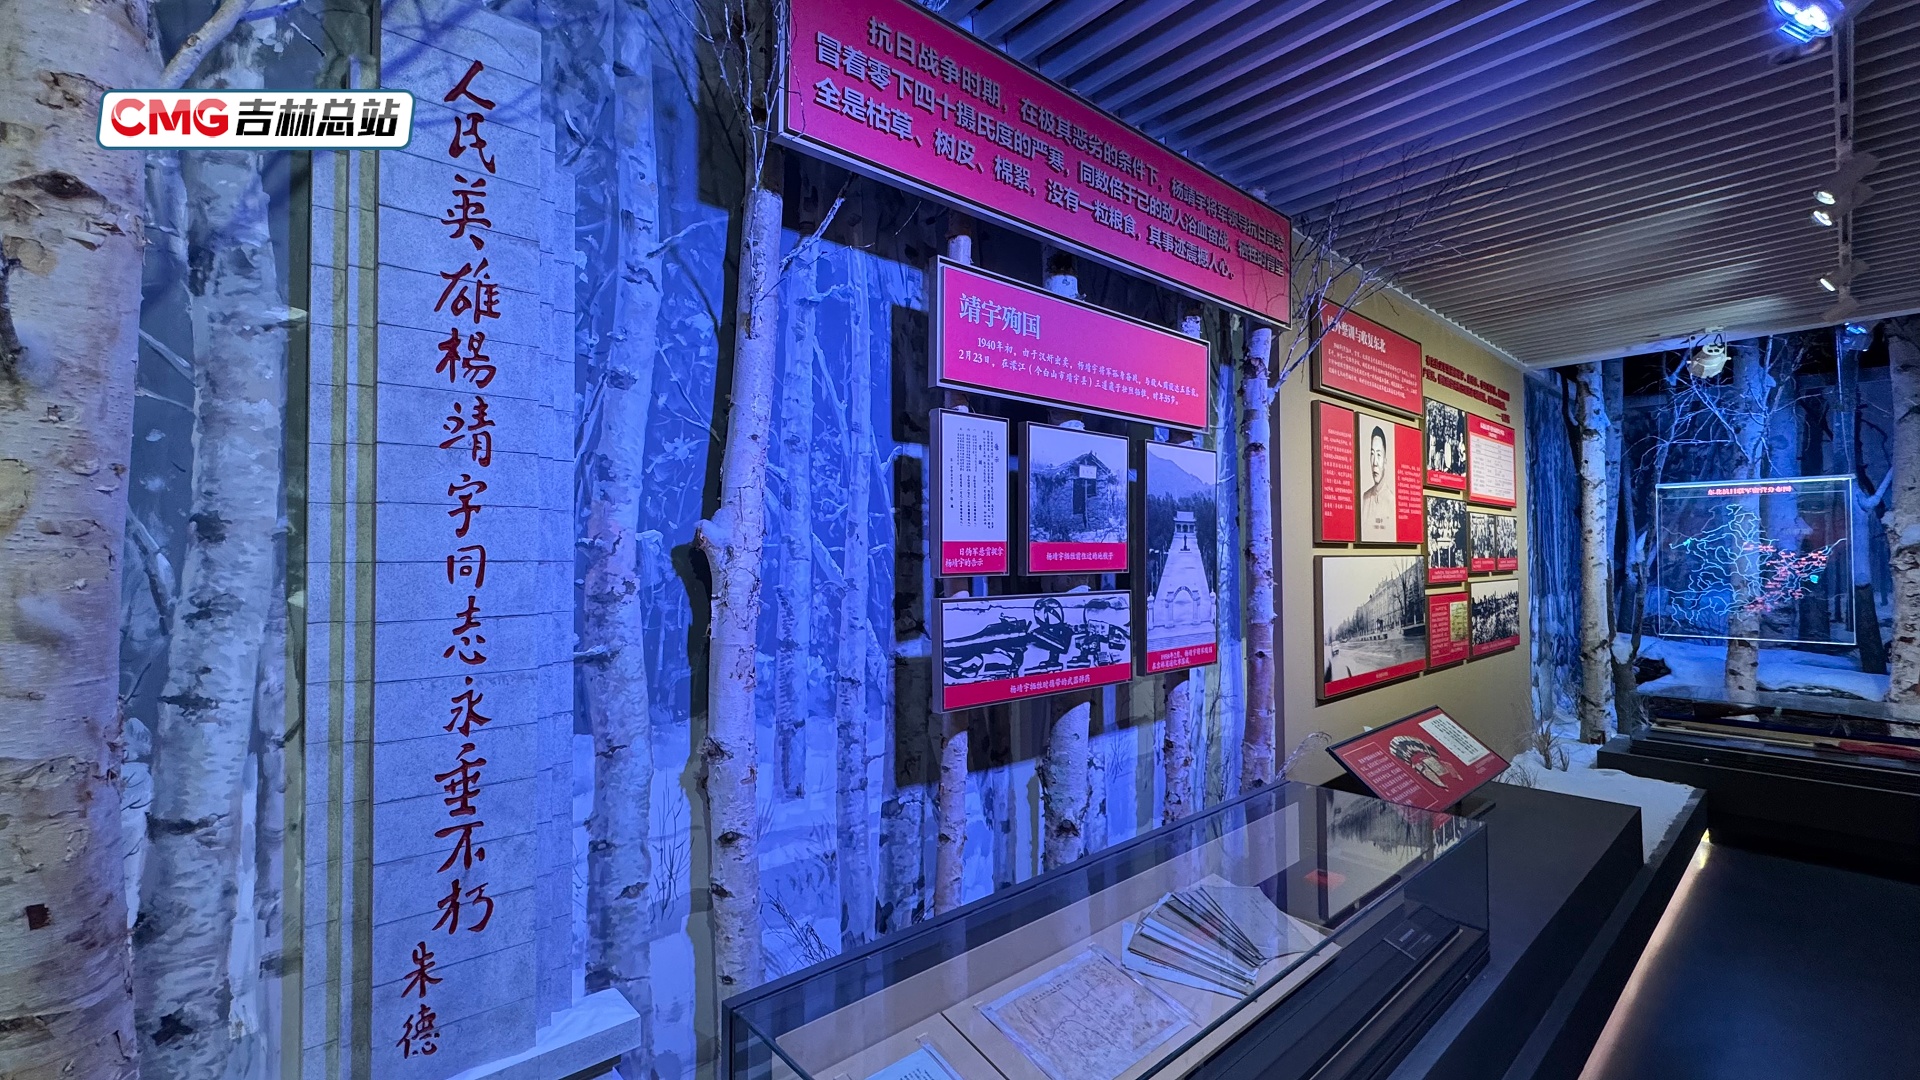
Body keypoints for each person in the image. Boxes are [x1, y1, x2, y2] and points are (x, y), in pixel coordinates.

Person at [1359, 423, 1393, 541]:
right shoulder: (1365, 498)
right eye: (1372, 454)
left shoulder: (1391, 501)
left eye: (1379, 455)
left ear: (1385, 461)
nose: (1375, 462)